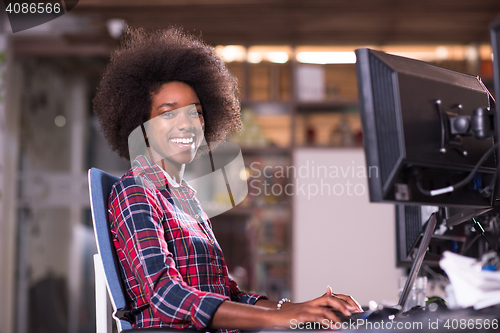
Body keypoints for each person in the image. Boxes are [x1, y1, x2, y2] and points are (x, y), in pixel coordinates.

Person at [93, 27, 362, 332]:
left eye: (195, 113)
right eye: (168, 114)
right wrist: (279, 318)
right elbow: (165, 295)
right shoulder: (136, 191)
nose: (186, 124)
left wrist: (297, 308)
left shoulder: (184, 199)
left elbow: (228, 294)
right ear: (141, 126)